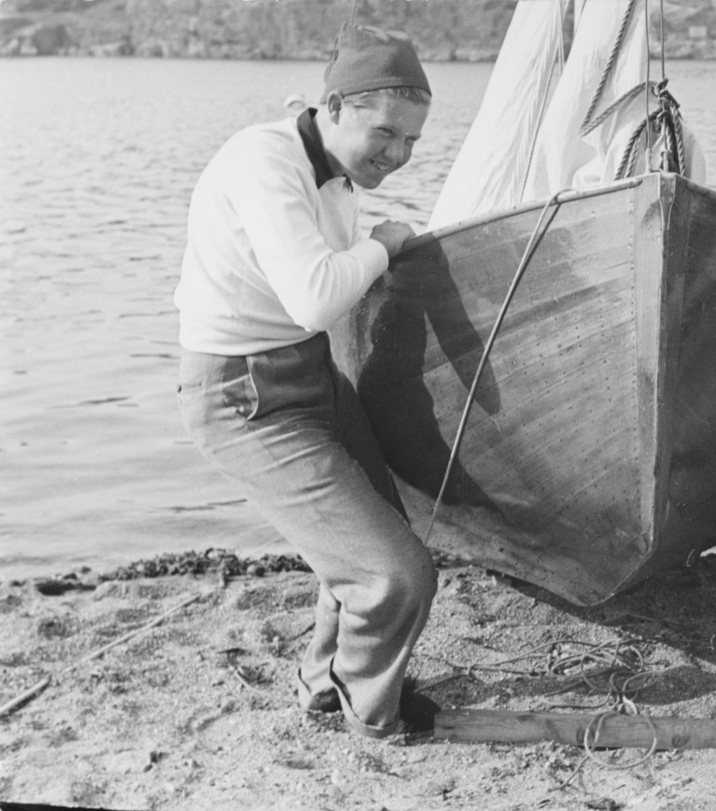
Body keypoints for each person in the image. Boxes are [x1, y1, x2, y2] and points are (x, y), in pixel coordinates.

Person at [174, 23, 439, 740]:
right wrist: (383, 244)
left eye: (412, 141)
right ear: (333, 106)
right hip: (243, 396)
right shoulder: (264, 160)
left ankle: (324, 684)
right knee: (398, 574)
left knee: (367, 545)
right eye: (385, 132)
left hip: (308, 373)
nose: (398, 154)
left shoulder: (334, 169)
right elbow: (317, 297)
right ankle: (366, 711)